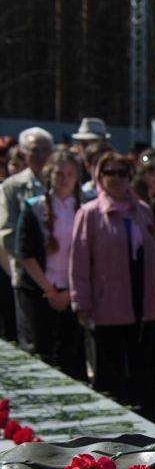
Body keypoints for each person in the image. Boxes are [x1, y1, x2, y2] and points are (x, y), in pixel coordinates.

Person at [70, 152, 155, 421]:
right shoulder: (89, 214)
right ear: (100, 177)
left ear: (129, 177)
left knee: (143, 373)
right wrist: (81, 302)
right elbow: (79, 262)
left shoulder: (143, 211)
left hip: (142, 306)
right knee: (110, 376)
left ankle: (148, 433)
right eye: (109, 173)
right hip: (108, 308)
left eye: (121, 173)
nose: (115, 178)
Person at [12, 151, 85, 378]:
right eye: (59, 173)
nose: (64, 179)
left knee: (71, 356)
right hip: (41, 290)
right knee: (41, 354)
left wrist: (71, 292)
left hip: (72, 292)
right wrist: (50, 291)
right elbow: (25, 254)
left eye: (70, 174)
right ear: (49, 175)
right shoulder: (33, 207)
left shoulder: (83, 208)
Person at [0, 127, 53, 342]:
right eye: (34, 150)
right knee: (33, 342)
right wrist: (30, 265)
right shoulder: (12, 187)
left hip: (59, 277)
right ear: (23, 153)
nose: (40, 156)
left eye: (45, 150)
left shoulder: (61, 182)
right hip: (27, 276)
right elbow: (8, 234)